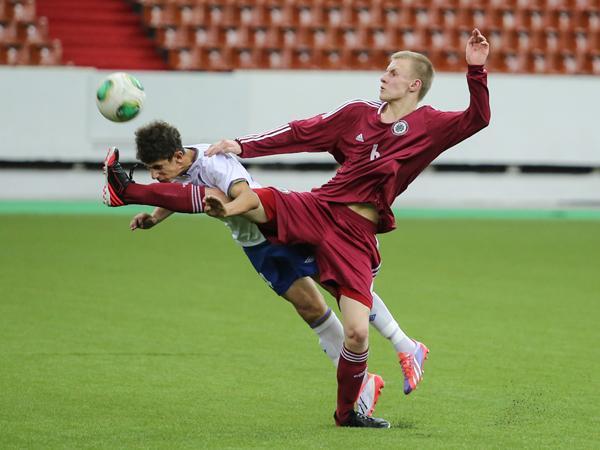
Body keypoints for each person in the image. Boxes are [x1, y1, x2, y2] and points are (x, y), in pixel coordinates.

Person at [103, 28, 489, 427]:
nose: (383, 76)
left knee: (357, 334)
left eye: (393, 72)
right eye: (385, 70)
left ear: (413, 84)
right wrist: (244, 146)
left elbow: (477, 118)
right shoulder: (358, 113)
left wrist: (475, 69)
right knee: (258, 200)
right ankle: (126, 190)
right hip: (320, 208)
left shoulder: (430, 125)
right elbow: (302, 132)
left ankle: (349, 411)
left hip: (355, 234)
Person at [102, 120, 429, 424]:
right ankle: (363, 383)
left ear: (177, 155)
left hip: (279, 230)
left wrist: (226, 210)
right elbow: (182, 190)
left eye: (158, 168)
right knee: (310, 310)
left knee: (343, 288)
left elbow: (247, 197)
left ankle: (404, 344)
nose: (156, 176)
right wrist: (155, 218)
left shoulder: (215, 163)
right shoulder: (182, 166)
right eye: (151, 169)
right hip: (256, 247)